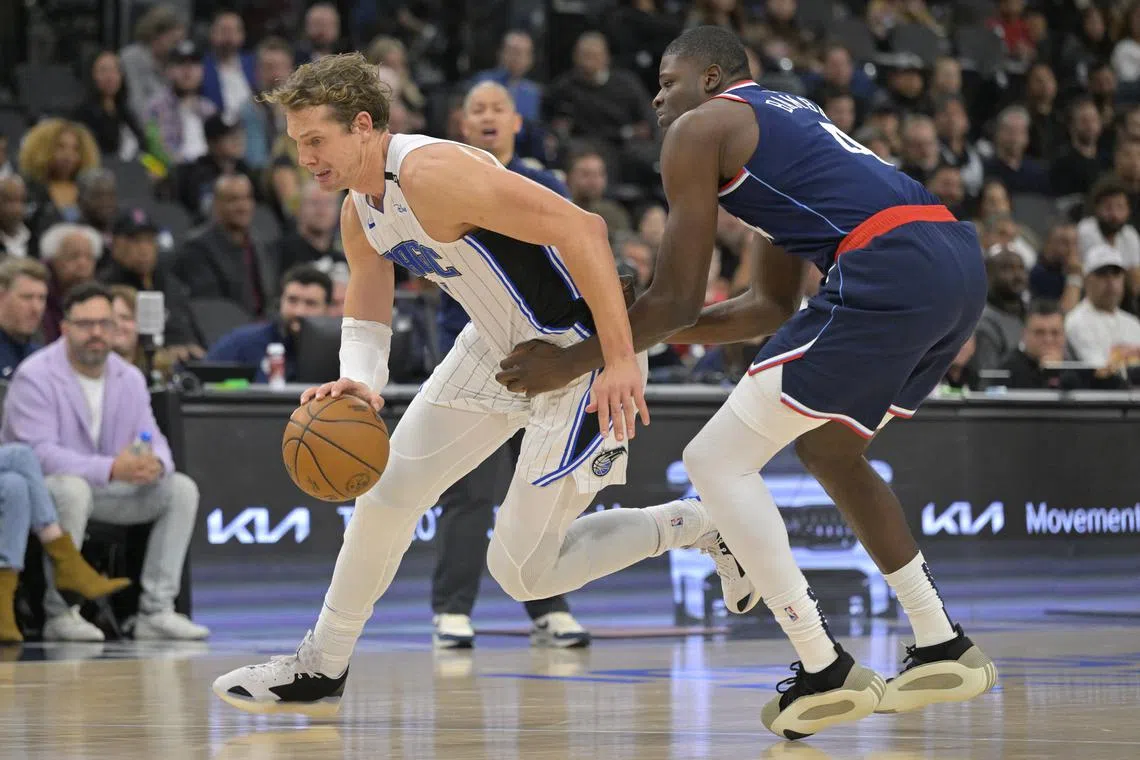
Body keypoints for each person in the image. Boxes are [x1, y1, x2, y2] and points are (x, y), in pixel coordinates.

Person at [212, 52, 751, 715]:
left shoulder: (432, 171)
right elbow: (369, 290)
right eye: (297, 145)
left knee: (523, 573)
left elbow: (582, 229)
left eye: (315, 140)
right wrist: (358, 380)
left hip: (581, 354)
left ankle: (696, 526)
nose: (305, 158)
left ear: (360, 125)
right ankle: (321, 666)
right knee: (386, 498)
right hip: (495, 349)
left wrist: (616, 358)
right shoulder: (360, 208)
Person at [495, 27, 997, 740]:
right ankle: (941, 639)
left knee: (714, 460)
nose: (659, 96)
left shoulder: (700, 130)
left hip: (890, 265)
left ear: (711, 78)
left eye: (670, 79)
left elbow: (671, 300)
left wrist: (577, 357)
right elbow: (765, 307)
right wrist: (640, 325)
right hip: (953, 262)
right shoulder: (785, 129)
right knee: (830, 452)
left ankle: (823, 665)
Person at [430, 80, 586, 650]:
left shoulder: (544, 183)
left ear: (517, 122)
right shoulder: (445, 185)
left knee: (540, 486)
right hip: (473, 355)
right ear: (462, 124)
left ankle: (547, 605)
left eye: (499, 108)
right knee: (467, 492)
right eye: (478, 109)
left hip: (545, 360)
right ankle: (451, 610)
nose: (489, 117)